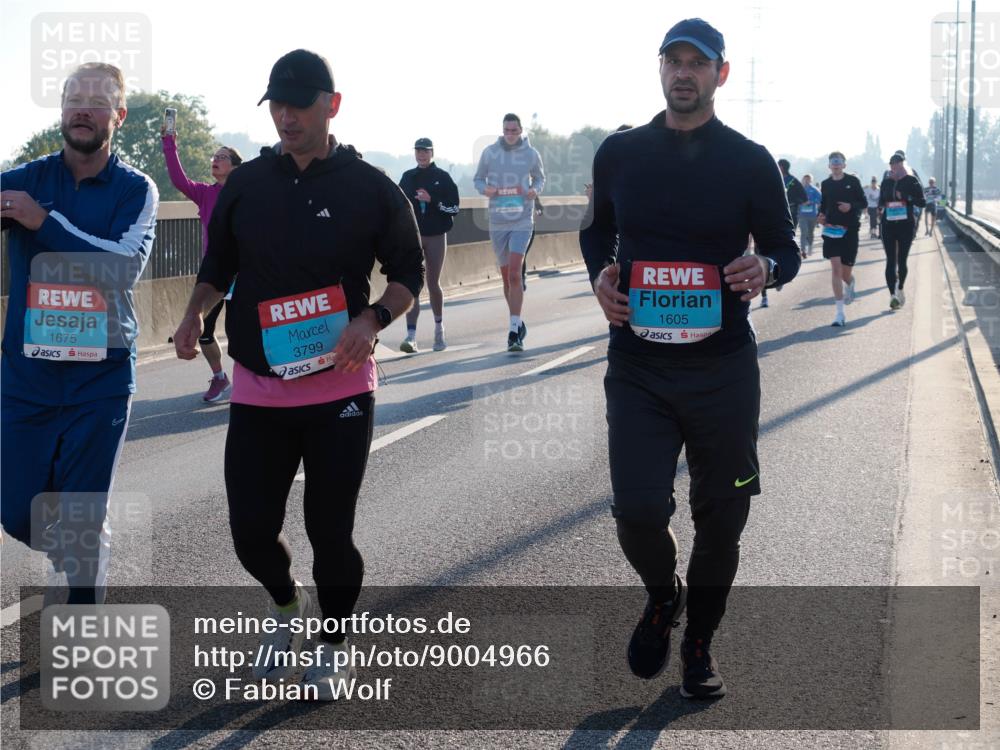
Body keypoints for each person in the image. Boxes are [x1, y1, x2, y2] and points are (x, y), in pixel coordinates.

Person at [172, 49, 423, 700]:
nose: (286, 117)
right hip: (259, 387)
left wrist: (372, 319)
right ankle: (288, 605)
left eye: (298, 105)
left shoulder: (370, 187)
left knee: (329, 531)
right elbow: (217, 266)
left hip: (340, 387)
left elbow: (408, 274)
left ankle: (334, 643)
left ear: (331, 105)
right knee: (250, 532)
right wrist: (194, 313)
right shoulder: (247, 184)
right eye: (276, 106)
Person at [580, 18, 800, 700]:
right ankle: (662, 593)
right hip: (639, 366)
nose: (684, 72)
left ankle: (699, 645)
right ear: (660, 69)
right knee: (637, 512)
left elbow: (786, 247)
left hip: (722, 369)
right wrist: (599, 276)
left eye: (697, 63)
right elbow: (595, 232)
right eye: (673, 61)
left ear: (719, 75)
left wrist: (766, 266)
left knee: (722, 517)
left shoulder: (749, 161)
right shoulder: (620, 154)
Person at [1, 62, 159, 603]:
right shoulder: (27, 180)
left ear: (119, 115)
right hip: (27, 379)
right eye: (73, 100)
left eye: (96, 102)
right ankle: (75, 547)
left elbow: (122, 269)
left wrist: (42, 223)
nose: (82, 110)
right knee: (16, 512)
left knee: (84, 515)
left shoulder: (136, 189)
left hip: (101, 378)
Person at [161, 127, 243, 400]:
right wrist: (169, 143)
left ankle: (250, 380)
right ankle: (220, 378)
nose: (215, 160)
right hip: (215, 274)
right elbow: (178, 179)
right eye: (214, 156)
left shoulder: (248, 194)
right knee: (204, 330)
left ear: (235, 167)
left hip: (245, 273)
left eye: (222, 157)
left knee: (241, 331)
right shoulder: (205, 193)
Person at [473, 114, 545, 351]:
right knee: (506, 278)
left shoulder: (531, 154)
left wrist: (534, 190)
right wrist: (486, 189)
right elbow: (478, 179)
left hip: (522, 220)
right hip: (498, 221)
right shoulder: (490, 153)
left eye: (514, 130)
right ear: (502, 131)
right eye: (507, 130)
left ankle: (513, 333)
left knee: (515, 273)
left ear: (521, 130)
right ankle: (518, 322)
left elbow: (540, 178)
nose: (510, 134)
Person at [398, 137, 460, 352]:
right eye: (418, 151)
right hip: (413, 236)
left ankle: (439, 330)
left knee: (433, 283)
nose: (422, 155)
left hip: (435, 235)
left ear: (432, 153)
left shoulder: (442, 177)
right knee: (413, 284)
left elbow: (454, 208)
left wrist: (432, 200)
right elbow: (398, 205)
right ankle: (411, 336)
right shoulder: (407, 177)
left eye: (425, 151)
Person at [818, 152, 865, 327]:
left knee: (845, 273)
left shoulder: (853, 181)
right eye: (833, 162)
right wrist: (820, 216)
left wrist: (850, 206)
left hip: (850, 230)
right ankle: (839, 313)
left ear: (844, 165)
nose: (836, 164)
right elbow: (824, 205)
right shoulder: (825, 184)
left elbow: (863, 202)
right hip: (831, 230)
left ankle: (850, 282)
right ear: (829, 166)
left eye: (839, 162)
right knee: (836, 269)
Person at [879, 152, 926, 309]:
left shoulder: (912, 181)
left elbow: (922, 202)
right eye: (892, 164)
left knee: (902, 260)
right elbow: (881, 201)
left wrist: (906, 196)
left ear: (903, 164)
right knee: (890, 260)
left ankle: (900, 288)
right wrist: (881, 207)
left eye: (898, 163)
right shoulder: (886, 182)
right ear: (890, 166)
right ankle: (892, 295)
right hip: (888, 225)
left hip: (906, 225)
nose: (895, 166)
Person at [798, 174, 822, 257]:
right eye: (805, 179)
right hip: (802, 215)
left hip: (812, 215)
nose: (806, 181)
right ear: (803, 180)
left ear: (811, 180)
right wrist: (801, 202)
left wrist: (811, 202)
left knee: (810, 232)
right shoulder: (799, 189)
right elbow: (795, 198)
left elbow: (820, 199)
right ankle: (803, 250)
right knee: (804, 232)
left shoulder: (814, 189)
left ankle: (810, 246)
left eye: (808, 179)